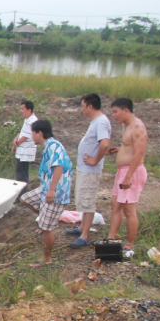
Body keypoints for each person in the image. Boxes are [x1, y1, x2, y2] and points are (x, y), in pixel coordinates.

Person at [19, 120, 73, 266]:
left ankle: (47, 258)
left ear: (40, 133)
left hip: (55, 192)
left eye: (33, 133)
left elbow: (59, 167)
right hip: (46, 188)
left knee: (47, 228)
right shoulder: (49, 146)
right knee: (25, 199)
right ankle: (46, 218)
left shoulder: (54, 146)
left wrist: (51, 190)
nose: (32, 136)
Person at [67, 93, 112, 249]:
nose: (82, 109)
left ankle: (85, 235)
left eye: (83, 106)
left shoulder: (100, 122)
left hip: (90, 170)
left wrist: (95, 159)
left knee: (88, 201)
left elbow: (104, 144)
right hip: (84, 168)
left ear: (90, 106)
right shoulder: (96, 121)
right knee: (83, 200)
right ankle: (81, 228)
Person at [105, 98, 148, 257]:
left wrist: (128, 177)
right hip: (122, 171)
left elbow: (139, 153)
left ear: (126, 110)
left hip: (132, 172)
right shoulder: (127, 126)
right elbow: (130, 147)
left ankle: (130, 245)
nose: (114, 115)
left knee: (129, 210)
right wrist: (121, 149)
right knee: (115, 204)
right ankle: (111, 239)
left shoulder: (137, 127)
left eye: (115, 112)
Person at [11, 100, 38, 200]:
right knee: (20, 172)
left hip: (25, 152)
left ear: (29, 110)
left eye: (23, 109)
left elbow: (25, 137)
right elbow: (22, 133)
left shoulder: (32, 121)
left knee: (22, 174)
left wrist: (15, 145)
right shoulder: (27, 119)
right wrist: (15, 139)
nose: (21, 111)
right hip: (22, 151)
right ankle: (20, 194)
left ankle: (21, 196)